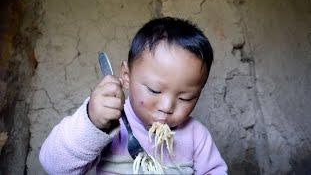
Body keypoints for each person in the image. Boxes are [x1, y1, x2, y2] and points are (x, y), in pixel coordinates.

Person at [39, 17, 228, 174]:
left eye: (186, 98)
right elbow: (54, 166)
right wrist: (93, 122)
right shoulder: (110, 126)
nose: (167, 106)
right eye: (154, 90)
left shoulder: (196, 136)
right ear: (127, 77)